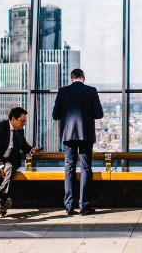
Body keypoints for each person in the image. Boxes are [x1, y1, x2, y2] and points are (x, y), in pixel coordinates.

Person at [0, 107, 42, 216]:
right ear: (13, 119)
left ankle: (0, 200)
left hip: (4, 159)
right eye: (22, 121)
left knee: (10, 168)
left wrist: (31, 150)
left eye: (25, 121)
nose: (24, 124)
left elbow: (23, 145)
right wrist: (0, 166)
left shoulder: (19, 130)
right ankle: (0, 203)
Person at [52, 68, 103, 216]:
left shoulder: (62, 91)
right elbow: (99, 114)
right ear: (84, 78)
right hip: (85, 134)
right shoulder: (91, 91)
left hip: (68, 135)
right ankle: (84, 206)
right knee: (86, 168)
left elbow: (56, 115)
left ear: (71, 79)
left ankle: (69, 206)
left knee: (69, 169)